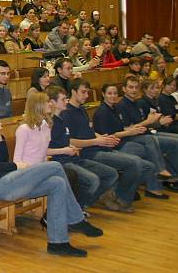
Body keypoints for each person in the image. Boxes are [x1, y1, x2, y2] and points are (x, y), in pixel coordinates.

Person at [0, 96, 99, 257]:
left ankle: (58, 243)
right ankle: (76, 219)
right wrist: (15, 166)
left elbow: (2, 158)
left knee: (57, 183)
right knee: (55, 166)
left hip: (9, 180)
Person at [45, 85, 124, 213]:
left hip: (75, 158)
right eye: (63, 99)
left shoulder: (62, 119)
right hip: (61, 161)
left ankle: (82, 205)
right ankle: (76, 210)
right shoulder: (49, 123)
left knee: (111, 174)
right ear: (53, 102)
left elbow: (66, 140)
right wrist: (66, 149)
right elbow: (46, 148)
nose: (66, 101)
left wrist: (71, 147)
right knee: (92, 180)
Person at [92, 83, 170, 199]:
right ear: (103, 94)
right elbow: (109, 136)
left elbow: (122, 128)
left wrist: (133, 129)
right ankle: (148, 183)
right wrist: (130, 132)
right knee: (150, 151)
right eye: (109, 93)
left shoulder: (115, 108)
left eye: (115, 93)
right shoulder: (101, 112)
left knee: (151, 147)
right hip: (113, 146)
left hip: (123, 140)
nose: (113, 96)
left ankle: (148, 186)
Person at [121, 77, 178, 191]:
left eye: (136, 87)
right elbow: (129, 129)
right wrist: (155, 122)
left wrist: (157, 122)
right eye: (131, 87)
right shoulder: (123, 105)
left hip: (147, 132)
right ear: (124, 89)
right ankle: (170, 177)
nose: (134, 90)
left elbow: (147, 123)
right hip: (135, 137)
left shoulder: (136, 103)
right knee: (176, 142)